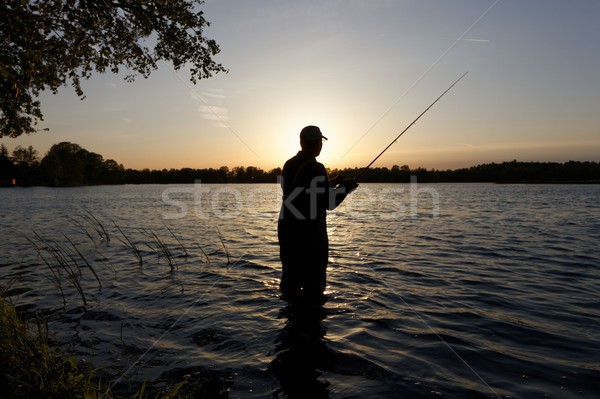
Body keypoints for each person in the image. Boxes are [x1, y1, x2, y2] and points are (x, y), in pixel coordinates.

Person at [277, 125, 358, 303]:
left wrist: (331, 182)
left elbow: (303, 189)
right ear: (316, 144)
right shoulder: (316, 168)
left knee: (290, 281)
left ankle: (290, 322)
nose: (322, 145)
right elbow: (329, 202)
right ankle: (311, 324)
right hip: (310, 235)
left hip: (288, 230)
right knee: (313, 286)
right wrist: (345, 187)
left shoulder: (289, 164)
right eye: (321, 142)